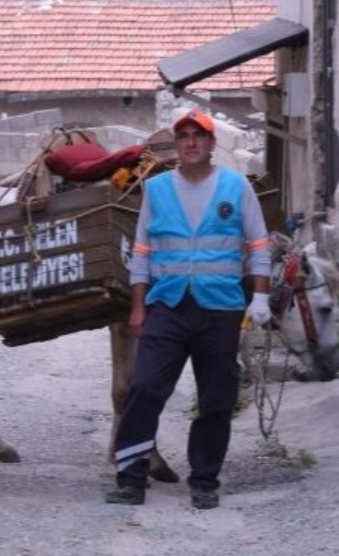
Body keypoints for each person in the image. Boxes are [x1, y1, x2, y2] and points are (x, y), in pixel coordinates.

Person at [105, 108, 272, 509]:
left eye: (199, 136)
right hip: (169, 305)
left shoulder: (235, 187)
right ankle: (130, 477)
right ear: (176, 146)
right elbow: (142, 251)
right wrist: (137, 307)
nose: (191, 142)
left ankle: (204, 480)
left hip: (220, 308)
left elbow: (258, 245)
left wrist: (262, 298)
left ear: (213, 144)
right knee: (144, 387)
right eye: (184, 137)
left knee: (216, 396)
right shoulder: (158, 189)